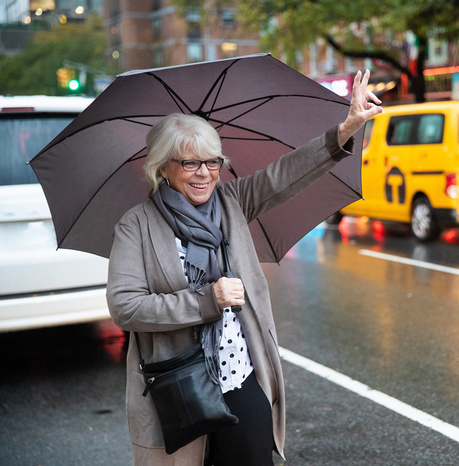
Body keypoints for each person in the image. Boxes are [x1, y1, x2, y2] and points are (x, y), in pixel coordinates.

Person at [106, 70, 382, 465]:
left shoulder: (231, 203)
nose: (204, 173)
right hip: (178, 385)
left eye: (212, 162)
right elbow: (125, 307)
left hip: (239, 372)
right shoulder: (137, 224)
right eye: (190, 163)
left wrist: (347, 128)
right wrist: (206, 300)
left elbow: (287, 173)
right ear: (163, 167)